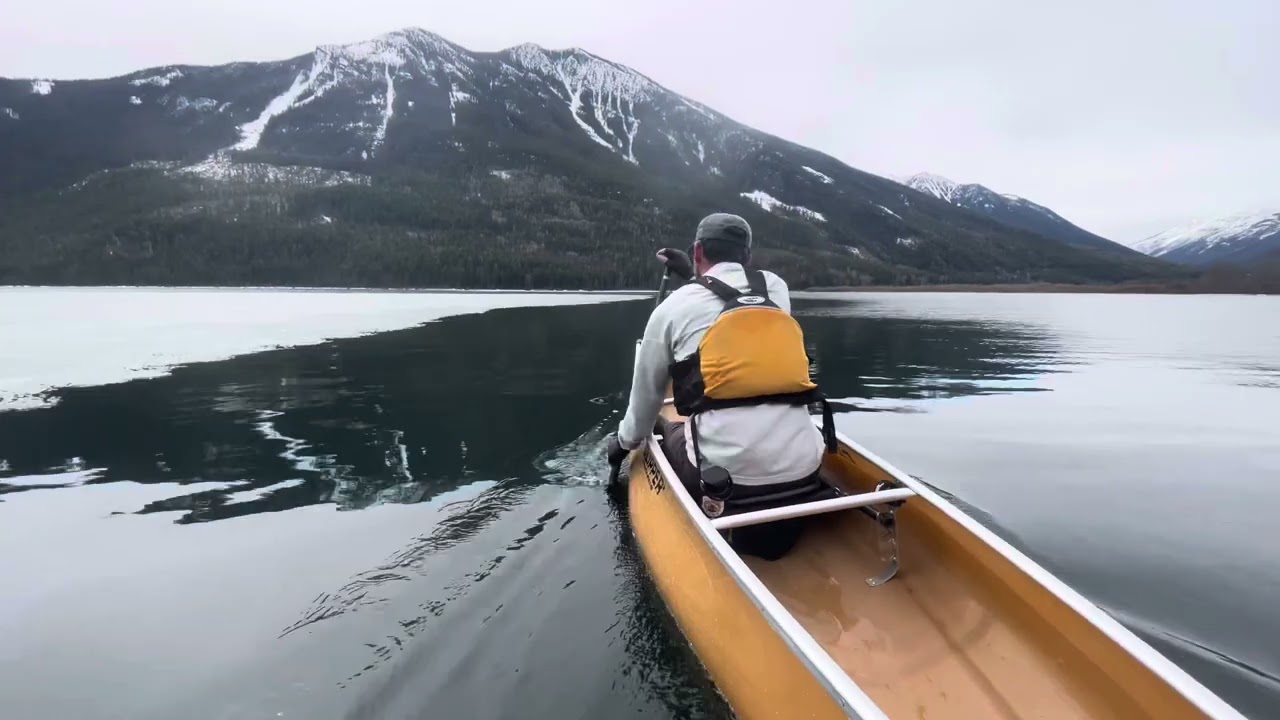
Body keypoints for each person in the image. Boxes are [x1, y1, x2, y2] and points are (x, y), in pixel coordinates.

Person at [607, 213, 834, 505]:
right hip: (805, 465)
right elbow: (733, 301)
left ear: (698, 251)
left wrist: (623, 444)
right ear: (747, 255)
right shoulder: (776, 289)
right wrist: (693, 276)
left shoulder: (671, 308)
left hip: (722, 479)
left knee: (664, 424)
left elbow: (646, 398)